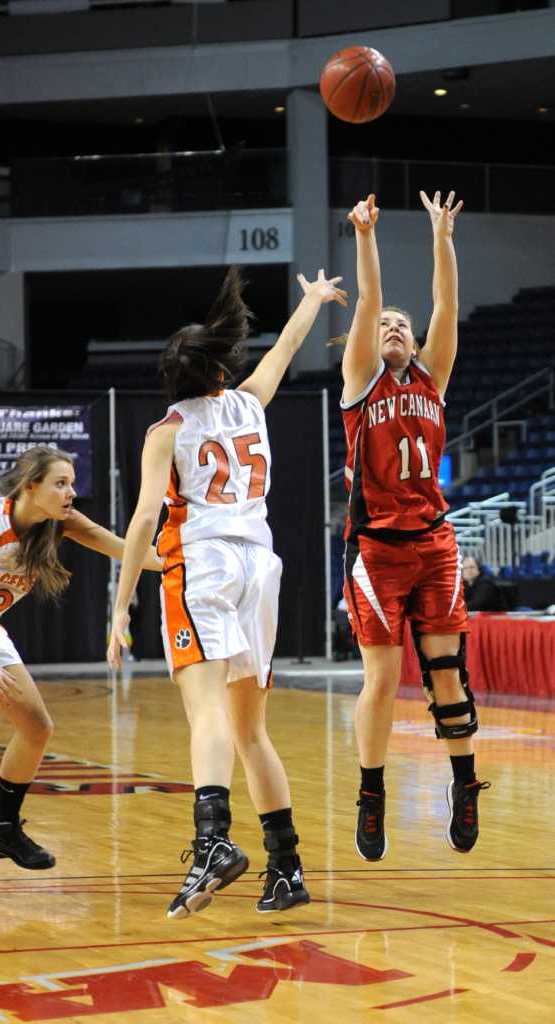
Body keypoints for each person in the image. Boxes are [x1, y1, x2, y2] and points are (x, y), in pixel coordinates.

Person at [107, 265, 347, 918]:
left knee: (206, 712)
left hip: (203, 566)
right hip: (259, 567)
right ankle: (286, 868)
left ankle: (211, 842)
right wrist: (315, 302)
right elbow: (286, 350)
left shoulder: (167, 430)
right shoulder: (247, 401)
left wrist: (121, 602)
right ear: (218, 365)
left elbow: (142, 522)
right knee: (249, 731)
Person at [0, 446, 161, 903]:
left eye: (73, 483)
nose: (71, 492)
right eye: (61, 483)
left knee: (37, 727)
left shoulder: (61, 524)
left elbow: (133, 552)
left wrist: (193, 556)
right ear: (29, 486)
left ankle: (2, 827)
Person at [340, 191, 489, 863]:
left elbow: (446, 308)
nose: (395, 327)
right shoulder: (360, 384)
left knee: (446, 674)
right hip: (375, 549)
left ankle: (463, 784)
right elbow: (368, 304)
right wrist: (365, 236)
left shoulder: (431, 379)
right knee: (381, 678)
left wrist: (441, 237)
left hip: (433, 543)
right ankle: (371, 797)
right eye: (387, 326)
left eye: (403, 324)